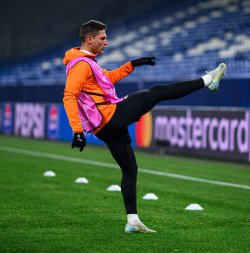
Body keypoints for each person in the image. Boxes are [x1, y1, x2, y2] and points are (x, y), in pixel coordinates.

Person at [62, 20, 226, 234]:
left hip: (105, 127)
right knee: (156, 92)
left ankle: (132, 221)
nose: (106, 42)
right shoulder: (81, 65)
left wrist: (132, 64)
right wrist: (76, 130)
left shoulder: (86, 62)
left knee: (130, 169)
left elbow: (108, 79)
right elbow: (69, 96)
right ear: (90, 39)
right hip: (112, 116)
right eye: (103, 38)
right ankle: (208, 80)